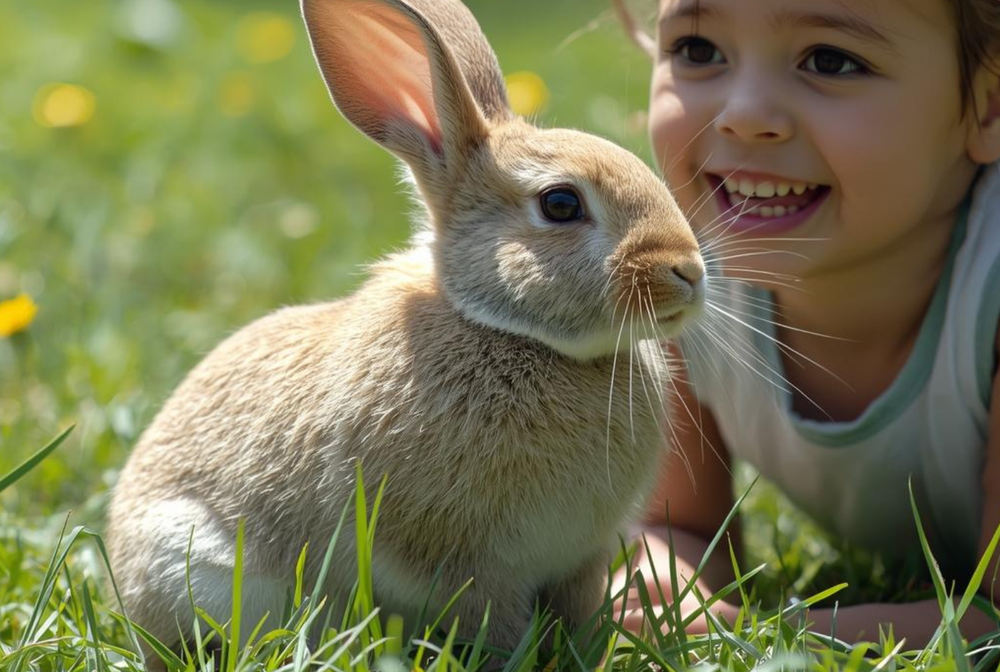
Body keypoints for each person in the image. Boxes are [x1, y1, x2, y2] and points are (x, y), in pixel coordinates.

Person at [613, 0, 1000, 645]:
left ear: (988, 103)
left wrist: (757, 632)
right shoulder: (682, 277)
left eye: (830, 60)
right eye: (699, 51)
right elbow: (677, 526)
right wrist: (658, 583)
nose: (743, 115)